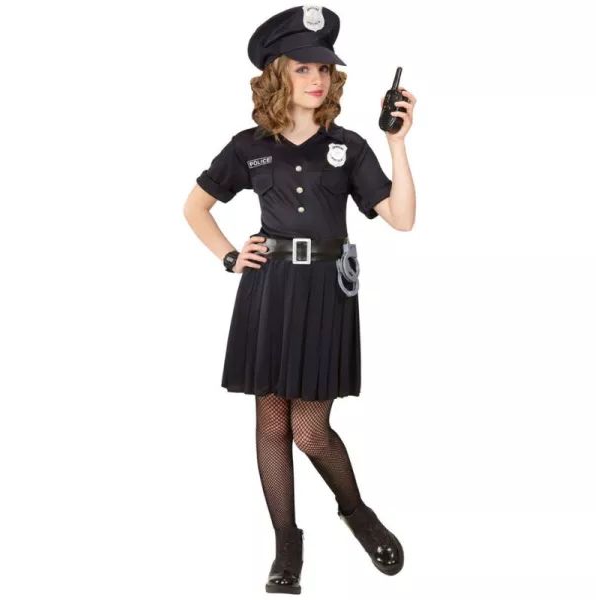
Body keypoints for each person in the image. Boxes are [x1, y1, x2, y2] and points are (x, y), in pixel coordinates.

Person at [183, 5, 416, 594]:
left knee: (310, 430)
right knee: (270, 422)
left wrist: (397, 144)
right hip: (270, 289)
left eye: (325, 69)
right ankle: (287, 543)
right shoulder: (249, 146)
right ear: (277, 75)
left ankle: (356, 512)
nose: (317, 78)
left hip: (324, 292)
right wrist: (230, 256)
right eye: (304, 68)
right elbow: (195, 207)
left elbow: (402, 218)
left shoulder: (350, 146)